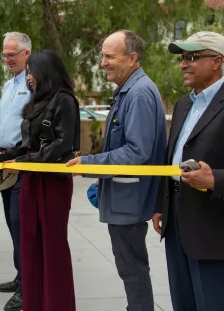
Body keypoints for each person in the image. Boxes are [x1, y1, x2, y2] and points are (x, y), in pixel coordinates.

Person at [153, 31, 224, 311]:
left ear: (217, 61)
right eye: (182, 58)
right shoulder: (183, 105)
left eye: (192, 57)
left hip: (215, 229)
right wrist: (161, 204)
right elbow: (173, 157)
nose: (183, 64)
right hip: (177, 222)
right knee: (184, 303)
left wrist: (215, 179)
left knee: (219, 304)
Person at [66, 30, 167, 311]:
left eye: (109, 56)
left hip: (130, 200)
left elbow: (137, 152)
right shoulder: (129, 90)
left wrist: (89, 163)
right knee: (130, 267)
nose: (103, 63)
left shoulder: (139, 94)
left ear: (132, 58)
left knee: (131, 268)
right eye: (102, 56)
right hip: (124, 197)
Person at [0, 50, 80, 311]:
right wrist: (3, 157)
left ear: (45, 72)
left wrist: (23, 163)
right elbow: (27, 146)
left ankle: (56, 304)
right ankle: (35, 302)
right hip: (32, 179)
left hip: (53, 182)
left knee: (52, 246)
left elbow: (62, 145)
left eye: (31, 71)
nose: (28, 77)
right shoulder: (36, 102)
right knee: (30, 242)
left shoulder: (65, 100)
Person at [0, 31, 32, 309]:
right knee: (11, 223)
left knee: (21, 225)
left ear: (26, 53)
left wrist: (16, 158)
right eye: (4, 54)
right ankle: (21, 277)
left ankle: (28, 287)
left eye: (12, 54)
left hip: (24, 163)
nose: (7, 59)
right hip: (6, 163)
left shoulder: (34, 84)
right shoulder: (8, 86)